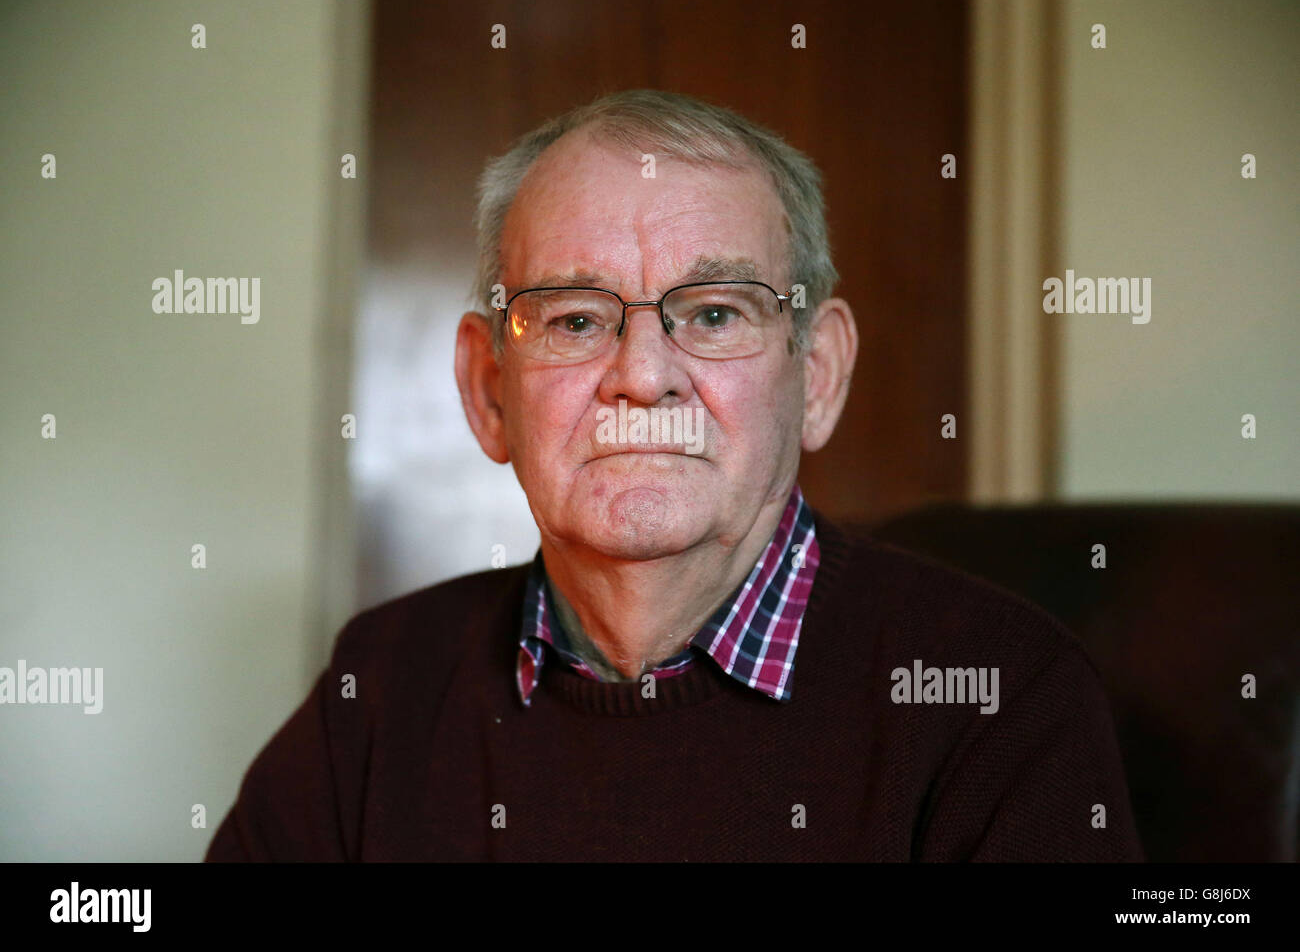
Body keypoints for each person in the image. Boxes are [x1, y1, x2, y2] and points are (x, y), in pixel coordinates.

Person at [206, 88, 1143, 861]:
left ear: (815, 374)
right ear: (491, 393)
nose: (643, 376)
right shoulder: (381, 682)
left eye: (716, 313)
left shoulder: (997, 696)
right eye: (574, 319)